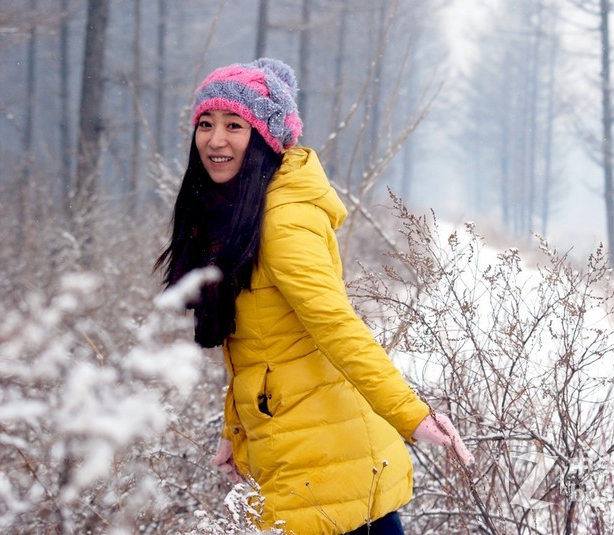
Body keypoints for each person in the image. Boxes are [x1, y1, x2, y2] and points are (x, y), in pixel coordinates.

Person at [155, 58, 474, 534]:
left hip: (330, 461)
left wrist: (412, 414)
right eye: (206, 123)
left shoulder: (281, 220)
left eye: (234, 125)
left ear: (265, 138)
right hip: (307, 448)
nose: (215, 140)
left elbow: (335, 323)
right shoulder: (237, 213)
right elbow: (262, 348)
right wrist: (234, 432)